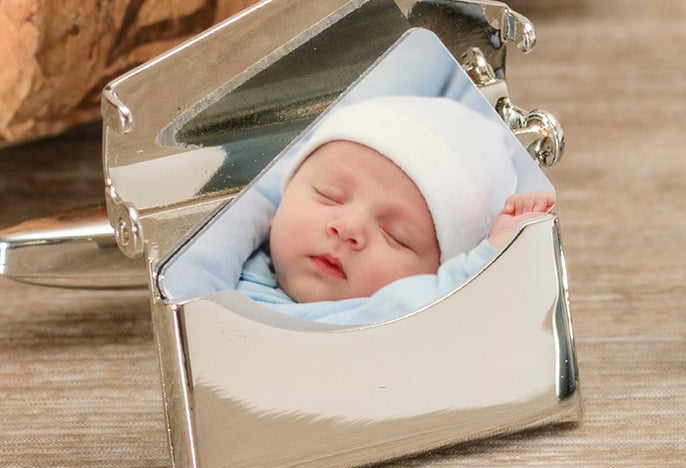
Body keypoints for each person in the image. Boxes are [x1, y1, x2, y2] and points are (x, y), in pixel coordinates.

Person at [234, 94, 554, 324]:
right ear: (278, 210)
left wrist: (491, 256)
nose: (347, 228)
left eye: (395, 236)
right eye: (329, 196)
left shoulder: (373, 319)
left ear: (435, 275)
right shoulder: (228, 269)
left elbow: (440, 299)